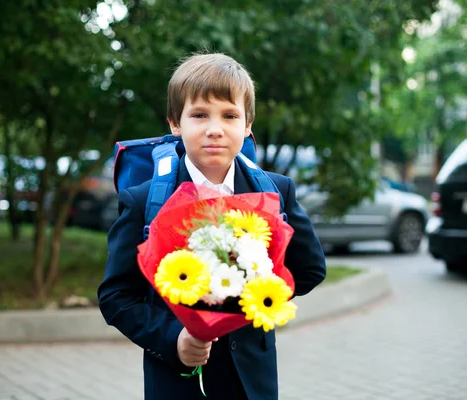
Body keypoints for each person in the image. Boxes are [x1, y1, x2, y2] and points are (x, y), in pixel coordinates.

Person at [98, 53, 326, 400]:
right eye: (199, 115)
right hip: (178, 381)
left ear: (248, 124)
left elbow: (310, 269)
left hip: (251, 383)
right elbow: (116, 297)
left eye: (229, 115)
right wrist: (174, 338)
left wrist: (254, 297)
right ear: (176, 123)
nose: (215, 128)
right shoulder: (144, 200)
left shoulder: (276, 191)